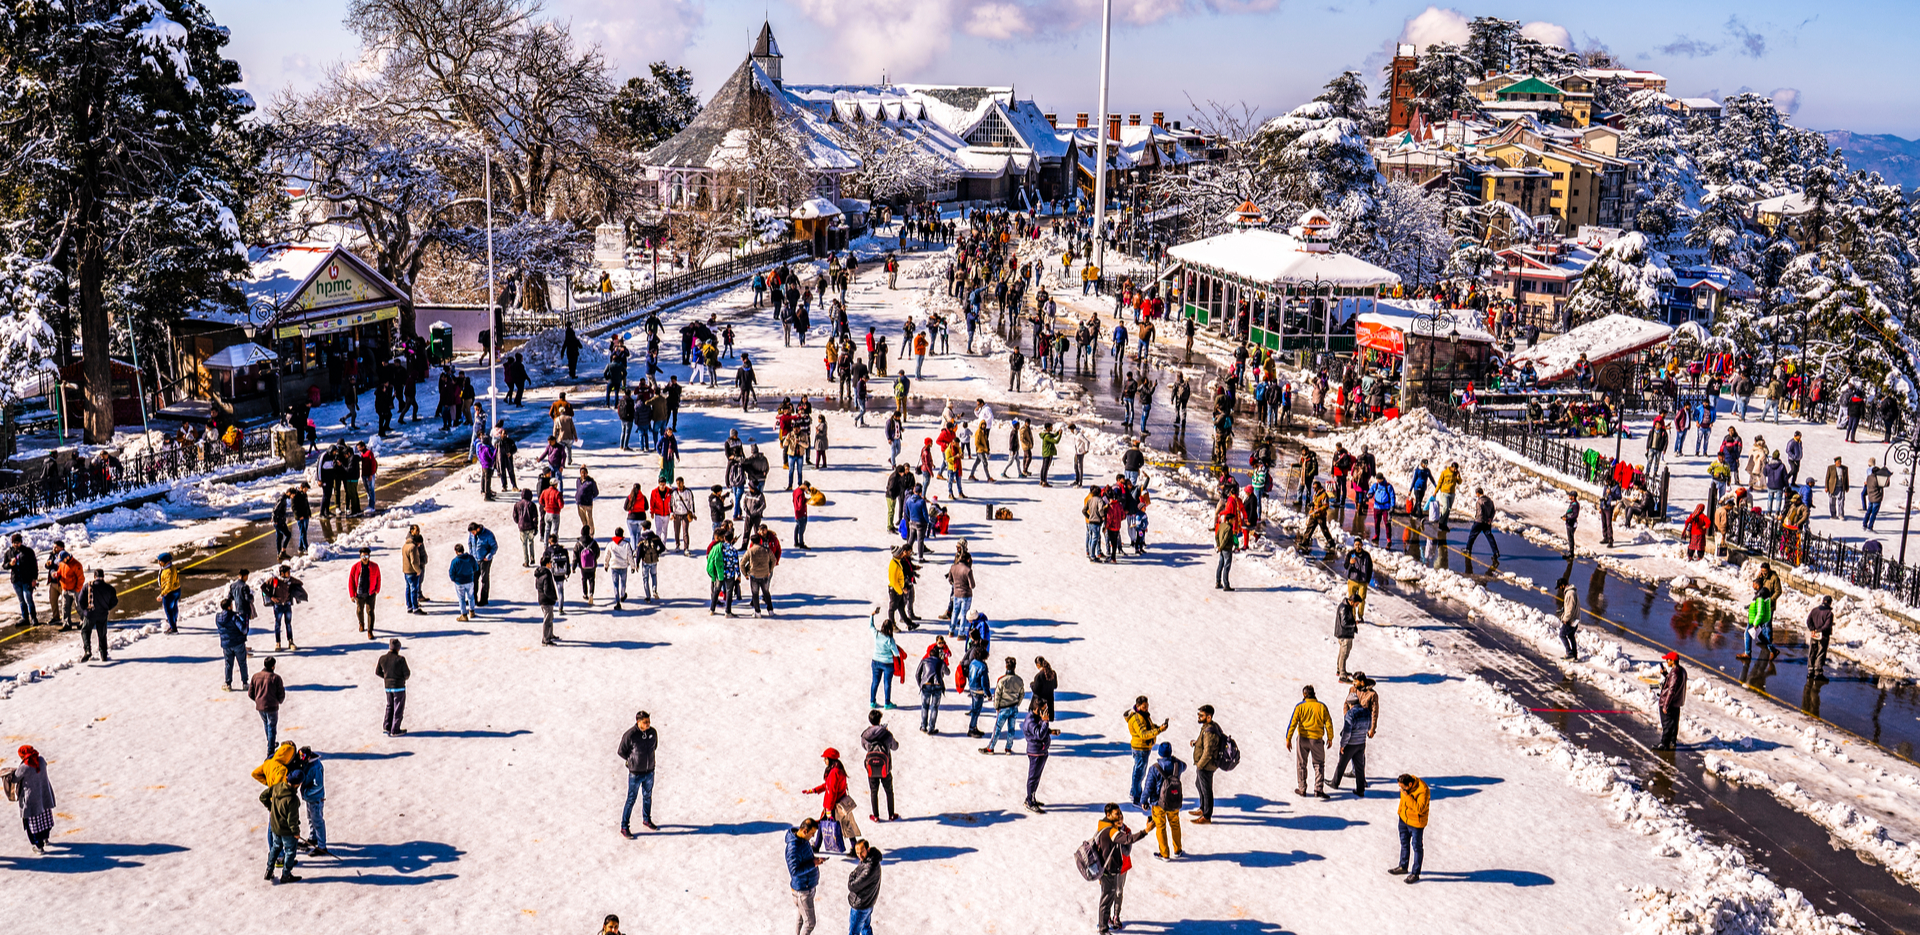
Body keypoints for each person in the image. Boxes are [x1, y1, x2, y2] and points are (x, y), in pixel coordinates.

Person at [1091, 802, 1150, 934]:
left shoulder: (1117, 830)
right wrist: (1145, 831)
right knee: (1107, 898)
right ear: (1108, 815)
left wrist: (1122, 836)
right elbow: (1121, 843)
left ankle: (1112, 918)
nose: (1120, 817)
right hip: (1109, 870)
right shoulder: (1110, 831)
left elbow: (1126, 850)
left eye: (1120, 814)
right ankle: (1103, 927)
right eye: (1116, 814)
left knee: (1115, 894)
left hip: (1118, 869)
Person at [803, 748, 862, 844]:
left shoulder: (834, 772)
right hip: (840, 804)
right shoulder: (839, 770)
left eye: (825, 758)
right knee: (845, 825)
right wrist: (813, 790)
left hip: (833, 806)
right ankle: (854, 847)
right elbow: (827, 785)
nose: (824, 760)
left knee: (825, 824)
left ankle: (817, 846)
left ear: (830, 759)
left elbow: (832, 791)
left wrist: (829, 809)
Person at [1285, 685, 1331, 798]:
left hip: (1303, 739)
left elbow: (1293, 723)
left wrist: (1288, 739)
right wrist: (1330, 737)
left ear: (1304, 695)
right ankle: (1318, 789)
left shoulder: (1300, 707)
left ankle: (1302, 789)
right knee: (1319, 764)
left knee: (1301, 764)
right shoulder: (1322, 706)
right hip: (1317, 740)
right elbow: (1328, 723)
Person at [1142, 741, 1186, 859]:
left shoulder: (1154, 768)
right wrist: (1174, 759)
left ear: (1160, 753)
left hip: (1158, 803)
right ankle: (1178, 850)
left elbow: (1148, 787)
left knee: (1161, 827)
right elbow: (1185, 765)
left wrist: (1143, 800)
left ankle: (1164, 854)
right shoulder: (1178, 765)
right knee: (1175, 824)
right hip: (1173, 801)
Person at [618, 711, 659, 837]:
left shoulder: (653, 733)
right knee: (631, 799)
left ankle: (646, 819)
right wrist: (631, 761)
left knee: (647, 797)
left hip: (649, 772)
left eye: (649, 722)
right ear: (638, 721)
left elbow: (654, 747)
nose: (648, 724)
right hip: (635, 774)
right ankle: (624, 826)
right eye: (645, 722)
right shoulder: (630, 735)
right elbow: (621, 751)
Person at [1124, 696, 1167, 811]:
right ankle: (1136, 798)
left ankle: (1134, 792)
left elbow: (1149, 728)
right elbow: (1143, 734)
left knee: (1139, 772)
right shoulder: (1137, 718)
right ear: (1138, 706)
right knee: (1139, 773)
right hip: (1141, 749)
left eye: (1147, 706)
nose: (1146, 709)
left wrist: (1159, 727)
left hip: (1143, 748)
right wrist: (1159, 731)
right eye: (1144, 707)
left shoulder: (1143, 715)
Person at [1332, 680, 1374, 796]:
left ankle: (1335, 783)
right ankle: (1360, 790)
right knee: (1359, 768)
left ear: (1350, 704)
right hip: (1361, 743)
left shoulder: (1350, 715)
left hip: (1350, 744)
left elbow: (1347, 732)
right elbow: (1369, 726)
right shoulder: (1366, 712)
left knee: (1341, 764)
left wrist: (1342, 745)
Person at [786, 817, 826, 935]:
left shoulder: (802, 840)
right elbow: (794, 870)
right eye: (812, 833)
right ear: (804, 831)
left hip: (807, 886)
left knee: (801, 919)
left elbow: (805, 859)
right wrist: (813, 863)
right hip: (802, 890)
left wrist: (815, 860)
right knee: (810, 923)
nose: (813, 837)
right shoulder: (793, 848)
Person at [13, 744, 55, 853]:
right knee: (45, 819)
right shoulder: (41, 760)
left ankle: (39, 847)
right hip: (44, 795)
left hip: (31, 799)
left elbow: (15, 779)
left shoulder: (24, 767)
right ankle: (46, 838)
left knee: (33, 824)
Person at [860, 709, 900, 821]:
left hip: (871, 768)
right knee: (889, 791)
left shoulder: (865, 735)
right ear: (879, 720)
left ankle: (876, 816)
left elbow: (864, 747)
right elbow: (895, 746)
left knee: (873, 792)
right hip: (885, 768)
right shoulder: (886, 734)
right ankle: (891, 815)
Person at [981, 657, 1024, 755]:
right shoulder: (1019, 680)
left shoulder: (1002, 680)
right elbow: (1022, 693)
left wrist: (996, 706)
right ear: (1015, 667)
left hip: (1004, 708)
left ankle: (990, 748)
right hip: (1014, 707)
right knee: (1011, 729)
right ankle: (1008, 748)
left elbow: (997, 695)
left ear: (1006, 666)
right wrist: (1018, 703)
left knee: (997, 728)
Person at [1390, 773, 1429, 883]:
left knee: (1417, 847)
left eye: (1402, 787)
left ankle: (1415, 873)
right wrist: (1400, 812)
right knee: (1404, 843)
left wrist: (1407, 796)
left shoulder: (1423, 790)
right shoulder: (1405, 788)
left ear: (1410, 784)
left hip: (1416, 823)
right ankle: (1403, 866)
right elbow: (1403, 801)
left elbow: (1419, 809)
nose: (1400, 789)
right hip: (1403, 820)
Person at [1190, 705, 1225, 824]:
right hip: (1204, 764)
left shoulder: (1210, 731)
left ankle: (1206, 816)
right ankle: (1203, 808)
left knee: (1206, 789)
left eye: (1202, 715)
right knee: (1199, 784)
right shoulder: (1208, 727)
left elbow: (1208, 751)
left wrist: (1200, 764)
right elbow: (1206, 744)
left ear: (1209, 717)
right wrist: (1196, 743)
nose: (1199, 717)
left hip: (1206, 766)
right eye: (1198, 715)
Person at [1022, 702, 1059, 813]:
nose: (1046, 711)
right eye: (1044, 709)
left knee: (1036, 777)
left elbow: (1040, 731)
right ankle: (1029, 802)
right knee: (1033, 778)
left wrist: (1050, 731)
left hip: (1041, 751)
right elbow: (1039, 734)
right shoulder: (1030, 721)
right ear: (1037, 709)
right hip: (1035, 752)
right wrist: (1046, 721)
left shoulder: (1036, 717)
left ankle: (1031, 798)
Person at [248, 656, 286, 757]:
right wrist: (279, 701)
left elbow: (250, 693)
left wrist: (258, 701)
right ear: (273, 666)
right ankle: (270, 751)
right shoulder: (276, 678)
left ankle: (271, 742)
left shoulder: (256, 676)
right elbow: (281, 694)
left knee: (266, 724)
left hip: (260, 707)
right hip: (272, 707)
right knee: (272, 726)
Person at [76, 568, 117, 663]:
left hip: (90, 614)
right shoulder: (109, 588)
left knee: (85, 631)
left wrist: (85, 610)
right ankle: (103, 655)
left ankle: (87, 650)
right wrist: (107, 608)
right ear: (103, 576)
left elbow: (80, 600)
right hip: (103, 614)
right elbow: (114, 601)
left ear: (94, 576)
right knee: (102, 634)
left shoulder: (88, 586)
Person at [846, 839, 883, 935]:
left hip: (860, 905)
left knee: (854, 932)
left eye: (861, 852)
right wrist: (853, 875)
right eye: (857, 853)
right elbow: (856, 872)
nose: (859, 856)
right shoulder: (868, 860)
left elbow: (852, 886)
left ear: (868, 849)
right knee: (865, 928)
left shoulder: (869, 868)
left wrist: (851, 877)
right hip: (868, 903)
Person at [376, 638, 409, 736]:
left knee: (389, 706)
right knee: (398, 708)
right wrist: (401, 679)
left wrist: (386, 678)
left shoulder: (382, 658)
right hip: (399, 687)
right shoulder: (401, 659)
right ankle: (395, 730)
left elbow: (378, 672)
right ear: (398, 648)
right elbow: (407, 674)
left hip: (387, 687)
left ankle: (387, 727)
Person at [915, 639, 949, 733]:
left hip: (926, 685)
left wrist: (921, 685)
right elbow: (948, 672)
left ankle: (923, 726)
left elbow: (917, 674)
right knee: (934, 707)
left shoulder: (924, 661)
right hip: (937, 686)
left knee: (925, 706)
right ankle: (931, 728)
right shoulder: (941, 662)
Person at [5, 534, 37, 629]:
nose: (16, 544)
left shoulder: (28, 551)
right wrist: (10, 564)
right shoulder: (9, 552)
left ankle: (34, 617)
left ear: (21, 542)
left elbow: (34, 566)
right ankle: (25, 618)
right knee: (21, 601)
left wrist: (34, 579)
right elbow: (4, 565)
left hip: (26, 580)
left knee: (29, 599)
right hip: (16, 580)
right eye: (14, 543)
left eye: (18, 543)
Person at [348, 547, 381, 638]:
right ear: (360, 556)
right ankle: (361, 623)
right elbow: (351, 581)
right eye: (363, 556)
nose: (364, 558)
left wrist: (377, 590)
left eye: (366, 556)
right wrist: (352, 594)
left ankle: (370, 630)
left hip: (370, 593)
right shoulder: (355, 567)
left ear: (369, 556)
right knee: (359, 610)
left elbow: (378, 578)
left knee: (370, 611)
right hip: (359, 594)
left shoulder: (375, 566)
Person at [1464, 488, 1500, 560]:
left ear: (1477, 493)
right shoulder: (1489, 500)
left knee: (1472, 535)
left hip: (1479, 522)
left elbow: (1480, 513)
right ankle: (1496, 552)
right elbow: (1493, 510)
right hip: (1487, 523)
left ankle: (1468, 549)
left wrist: (1479, 520)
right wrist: (1490, 519)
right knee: (1490, 537)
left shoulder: (1479, 502)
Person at [467, 522, 498, 606]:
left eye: (473, 532)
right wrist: (471, 554)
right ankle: (473, 598)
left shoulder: (488, 534)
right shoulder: (471, 535)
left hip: (485, 561)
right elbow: (470, 544)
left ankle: (484, 599)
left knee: (484, 579)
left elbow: (494, 547)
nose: (472, 534)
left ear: (478, 529)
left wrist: (488, 556)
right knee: (473, 579)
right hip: (475, 560)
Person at [1805, 595, 1834, 681]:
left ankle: (1810, 671)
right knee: (1820, 653)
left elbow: (1808, 620)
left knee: (1812, 651)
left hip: (1814, 635)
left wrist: (1813, 629)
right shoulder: (1829, 613)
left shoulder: (1815, 610)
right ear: (1830, 603)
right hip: (1823, 636)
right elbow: (1827, 626)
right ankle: (1818, 673)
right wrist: (1819, 630)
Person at [1334, 593, 1361, 681]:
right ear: (1352, 602)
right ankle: (1342, 676)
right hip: (1344, 634)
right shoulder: (1344, 608)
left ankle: (1340, 670)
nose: (1356, 606)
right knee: (1344, 654)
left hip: (1346, 634)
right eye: (1356, 604)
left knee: (1343, 652)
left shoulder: (1347, 607)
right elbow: (1344, 623)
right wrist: (1354, 624)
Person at [449, 543, 480, 621]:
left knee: (461, 598)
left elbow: (451, 573)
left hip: (459, 582)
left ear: (456, 551)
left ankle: (464, 615)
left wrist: (454, 579)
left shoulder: (455, 561)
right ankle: (472, 611)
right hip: (469, 580)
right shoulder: (470, 558)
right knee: (471, 596)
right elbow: (476, 567)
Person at [535, 555, 561, 645]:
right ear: (547, 563)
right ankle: (546, 639)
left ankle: (550, 635)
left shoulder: (539, 573)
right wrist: (553, 597)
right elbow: (547, 590)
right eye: (550, 562)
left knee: (550, 618)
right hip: (547, 600)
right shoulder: (546, 574)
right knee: (547, 620)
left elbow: (537, 586)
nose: (551, 564)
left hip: (542, 599)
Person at [1556, 577, 1579, 661]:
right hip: (1576, 619)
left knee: (1562, 634)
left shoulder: (1569, 594)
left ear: (1562, 585)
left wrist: (1565, 619)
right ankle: (1574, 654)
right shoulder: (1573, 592)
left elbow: (1570, 609)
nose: (1559, 589)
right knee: (1570, 635)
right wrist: (1563, 610)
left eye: (1559, 587)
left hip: (1571, 619)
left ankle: (1569, 653)